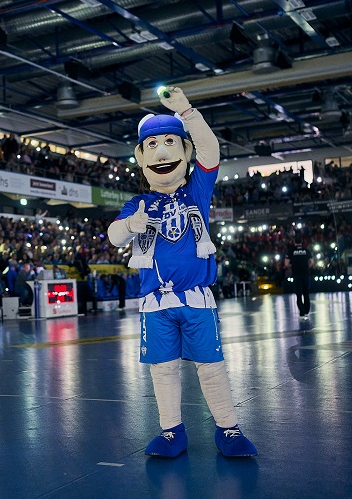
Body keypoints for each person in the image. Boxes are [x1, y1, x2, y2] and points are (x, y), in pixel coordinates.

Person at [107, 86, 256, 459]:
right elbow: (112, 234)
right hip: (155, 302)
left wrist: (187, 112)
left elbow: (211, 152)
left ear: (184, 151)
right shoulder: (138, 202)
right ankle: (172, 431)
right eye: (153, 146)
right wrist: (131, 225)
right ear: (141, 158)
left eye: (171, 143)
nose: (162, 153)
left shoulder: (197, 191)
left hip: (196, 298)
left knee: (211, 365)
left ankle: (228, 429)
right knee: (163, 369)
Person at [285, 232, 313, 326]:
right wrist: (307, 267)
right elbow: (312, 262)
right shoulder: (306, 250)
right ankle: (306, 311)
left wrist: (292, 266)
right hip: (305, 274)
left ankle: (301, 312)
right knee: (306, 293)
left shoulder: (291, 251)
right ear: (302, 241)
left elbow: (286, 264)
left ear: (294, 241)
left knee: (299, 294)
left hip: (296, 275)